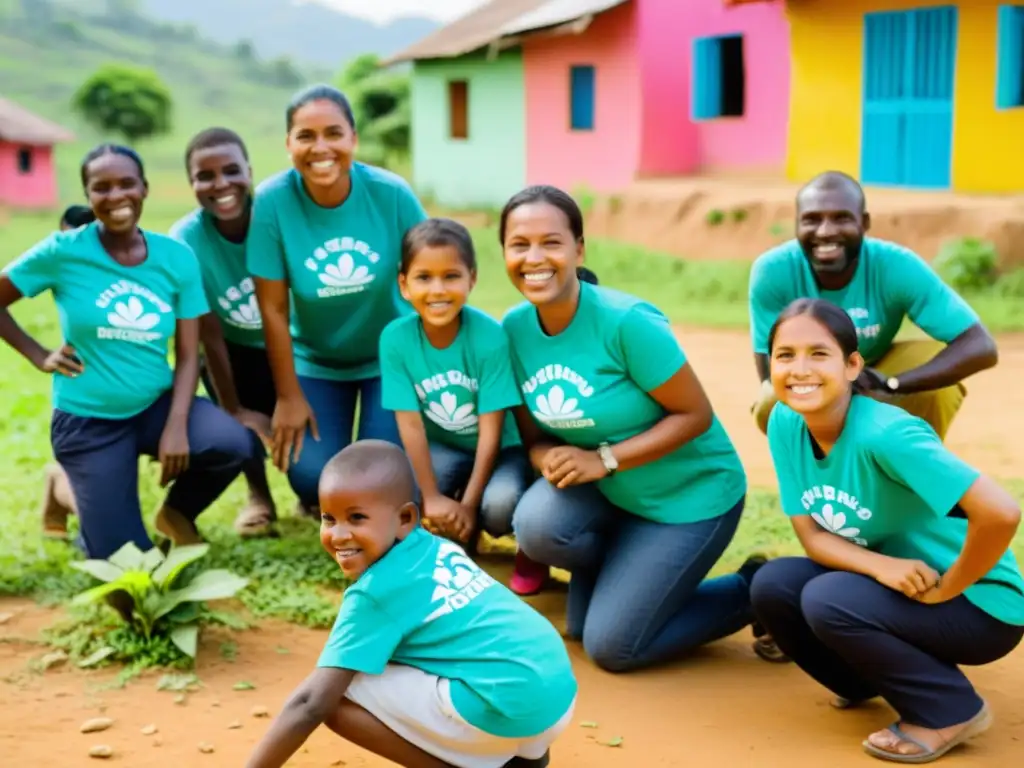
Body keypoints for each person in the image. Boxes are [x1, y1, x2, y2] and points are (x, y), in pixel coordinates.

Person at [500, 185, 766, 673]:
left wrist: (600, 460)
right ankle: (625, 570)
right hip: (613, 496)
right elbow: (535, 438)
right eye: (520, 244)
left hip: (689, 499)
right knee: (537, 528)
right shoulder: (514, 331)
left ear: (579, 249)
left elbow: (694, 416)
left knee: (611, 647)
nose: (534, 257)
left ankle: (756, 589)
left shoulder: (626, 322)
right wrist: (546, 460)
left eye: (551, 242)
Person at [750, 298, 1024, 764]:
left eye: (819, 354)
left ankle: (949, 710)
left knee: (827, 597)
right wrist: (883, 566)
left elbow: (1000, 513)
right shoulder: (784, 420)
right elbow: (813, 538)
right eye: (785, 355)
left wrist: (949, 586)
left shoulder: (886, 434)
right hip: (899, 586)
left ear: (853, 364)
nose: (800, 369)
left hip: (981, 603)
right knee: (774, 586)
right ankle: (861, 680)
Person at [244, 440, 577, 768]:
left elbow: (309, 704)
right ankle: (523, 759)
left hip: (507, 711)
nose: (339, 535)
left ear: (405, 518)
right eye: (329, 519)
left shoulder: (375, 593)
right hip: (556, 698)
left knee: (336, 694)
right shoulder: (437, 549)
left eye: (357, 517)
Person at [0, 143, 254, 558]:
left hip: (154, 406)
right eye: (102, 187)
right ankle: (63, 488)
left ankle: (176, 514)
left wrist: (176, 425)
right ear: (88, 196)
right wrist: (36, 353)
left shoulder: (175, 257)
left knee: (232, 443)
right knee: (126, 566)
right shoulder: (63, 251)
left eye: (126, 184)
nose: (116, 196)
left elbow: (189, 353)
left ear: (144, 189)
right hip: (89, 421)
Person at [247, 84, 428, 519]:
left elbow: (432, 273)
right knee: (311, 477)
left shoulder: (392, 194)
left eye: (333, 133)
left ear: (353, 139)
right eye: (305, 136)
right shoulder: (272, 202)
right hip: (318, 361)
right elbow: (272, 308)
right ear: (288, 144)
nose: (320, 147)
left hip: (390, 359)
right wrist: (288, 395)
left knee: (382, 476)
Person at [749, 171, 998, 440]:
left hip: (879, 370)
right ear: (797, 224)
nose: (825, 231)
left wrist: (891, 384)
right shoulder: (773, 271)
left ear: (864, 223)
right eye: (812, 219)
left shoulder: (895, 266)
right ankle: (819, 471)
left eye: (842, 218)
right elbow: (772, 370)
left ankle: (915, 468)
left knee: (938, 384)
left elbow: (980, 346)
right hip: (813, 372)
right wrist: (837, 387)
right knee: (771, 401)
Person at [379, 217, 542, 594]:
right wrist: (432, 496)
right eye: (424, 278)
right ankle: (449, 524)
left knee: (497, 507)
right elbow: (411, 426)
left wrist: (469, 504)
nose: (438, 290)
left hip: (501, 450)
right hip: (445, 446)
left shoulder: (488, 337)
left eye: (451, 276)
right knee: (410, 497)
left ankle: (514, 541)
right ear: (403, 285)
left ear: (472, 278)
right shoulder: (396, 339)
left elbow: (491, 430)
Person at [169, 127, 278, 537]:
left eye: (232, 171)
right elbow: (208, 333)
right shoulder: (186, 240)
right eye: (205, 176)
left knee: (304, 431)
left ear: (250, 171)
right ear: (192, 183)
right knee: (241, 420)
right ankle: (260, 496)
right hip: (231, 348)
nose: (221, 185)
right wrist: (233, 408)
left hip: (295, 342)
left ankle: (309, 492)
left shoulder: (275, 217)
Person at [39, 204, 99, 537]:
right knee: (89, 483)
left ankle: (58, 483)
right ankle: (61, 485)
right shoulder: (60, 261)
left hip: (125, 383)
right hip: (80, 382)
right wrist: (40, 355)